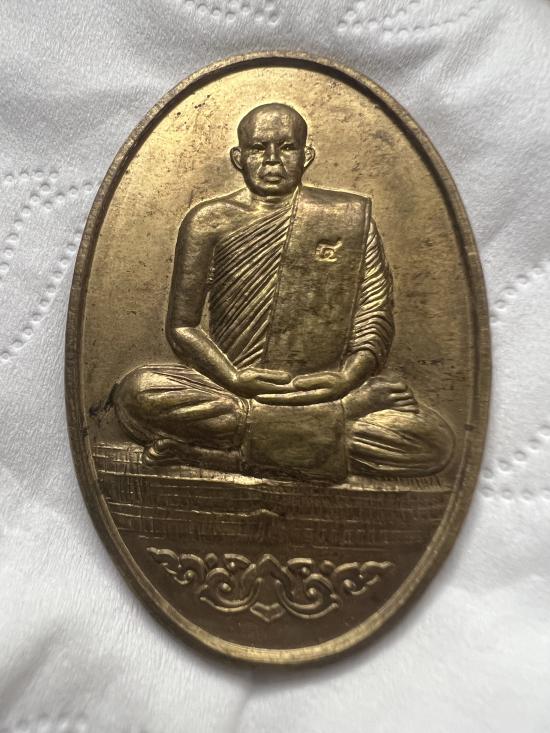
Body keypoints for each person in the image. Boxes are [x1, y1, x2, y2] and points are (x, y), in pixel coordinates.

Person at [114, 103, 454, 481]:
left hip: (323, 391)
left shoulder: (349, 218)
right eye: (259, 148)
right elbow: (182, 327)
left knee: (434, 441)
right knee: (138, 392)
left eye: (287, 147)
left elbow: (373, 315)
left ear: (306, 156)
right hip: (236, 391)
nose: (272, 159)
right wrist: (233, 377)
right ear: (238, 158)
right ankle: (328, 428)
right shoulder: (208, 221)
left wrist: (347, 377)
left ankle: (223, 452)